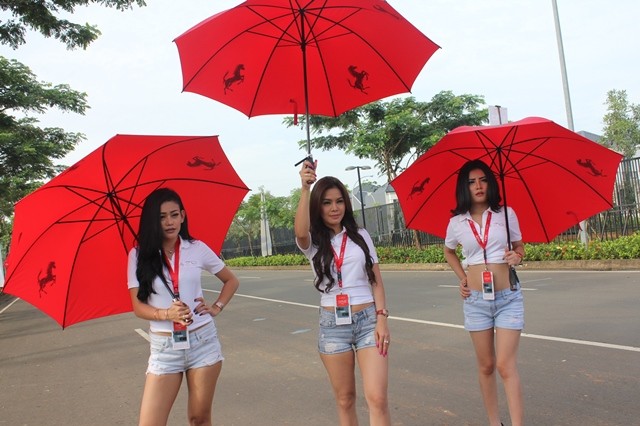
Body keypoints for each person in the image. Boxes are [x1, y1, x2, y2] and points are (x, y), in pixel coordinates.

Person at [127, 188, 239, 426]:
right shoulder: (138, 255)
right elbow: (137, 307)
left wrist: (217, 306)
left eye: (174, 214)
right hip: (165, 349)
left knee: (199, 418)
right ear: (152, 221)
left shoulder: (196, 248)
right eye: (161, 217)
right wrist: (166, 313)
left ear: (183, 216)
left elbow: (231, 280)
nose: (169, 222)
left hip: (203, 342)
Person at [294, 159, 391, 426]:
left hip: (369, 321)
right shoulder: (313, 241)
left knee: (377, 398)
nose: (334, 207)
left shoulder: (361, 235)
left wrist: (382, 318)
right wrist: (304, 188)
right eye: (326, 202)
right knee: (345, 399)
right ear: (318, 206)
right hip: (333, 325)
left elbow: (376, 281)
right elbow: (300, 231)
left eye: (339, 201)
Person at [443, 159, 526, 426]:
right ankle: (494, 422)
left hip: (508, 298)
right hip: (476, 301)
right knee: (487, 366)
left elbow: (520, 247)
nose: (478, 186)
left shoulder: (506, 214)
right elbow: (449, 251)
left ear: (490, 183)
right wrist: (464, 277)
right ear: (464, 188)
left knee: (505, 365)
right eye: (471, 181)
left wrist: (517, 256)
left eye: (483, 180)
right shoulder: (457, 222)